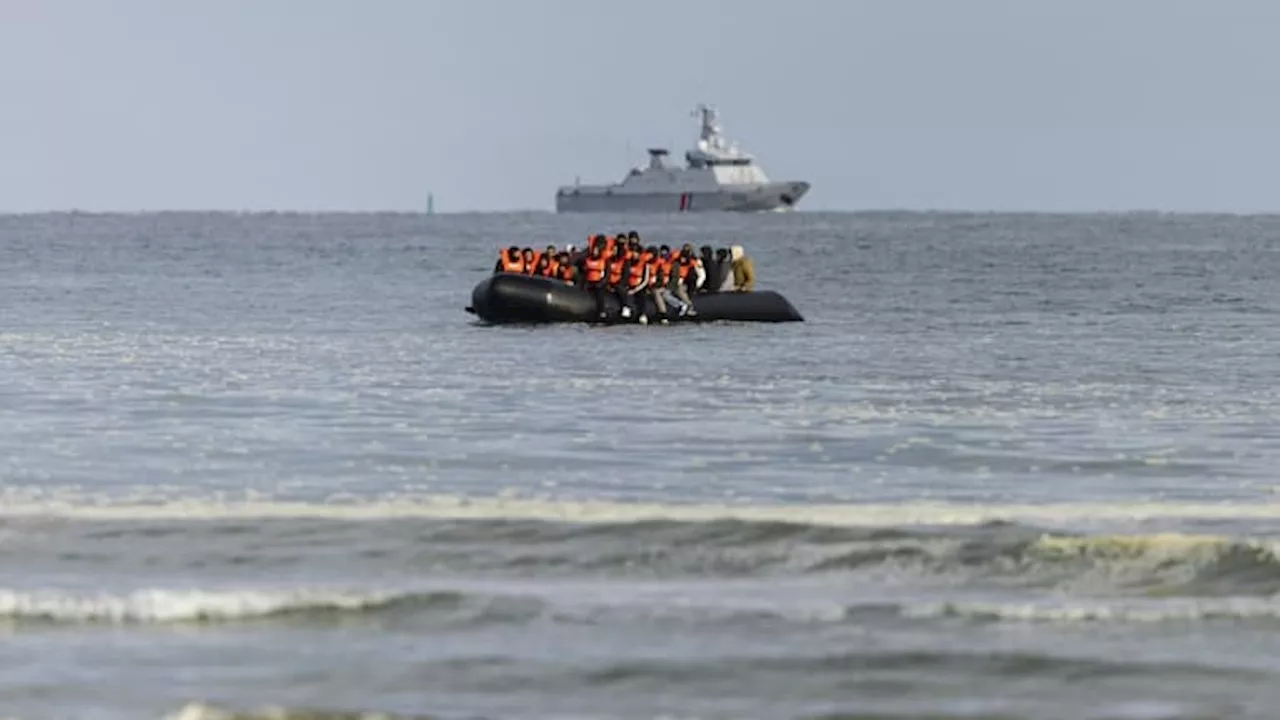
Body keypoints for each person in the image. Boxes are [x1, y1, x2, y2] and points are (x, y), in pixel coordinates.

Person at [579, 242, 610, 319]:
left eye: (596, 251)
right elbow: (584, 272)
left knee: (599, 293)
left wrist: (602, 282)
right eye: (593, 250)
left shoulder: (604, 261)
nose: (594, 252)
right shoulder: (587, 260)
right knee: (583, 290)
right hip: (589, 281)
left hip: (599, 282)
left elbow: (606, 275)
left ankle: (602, 311)